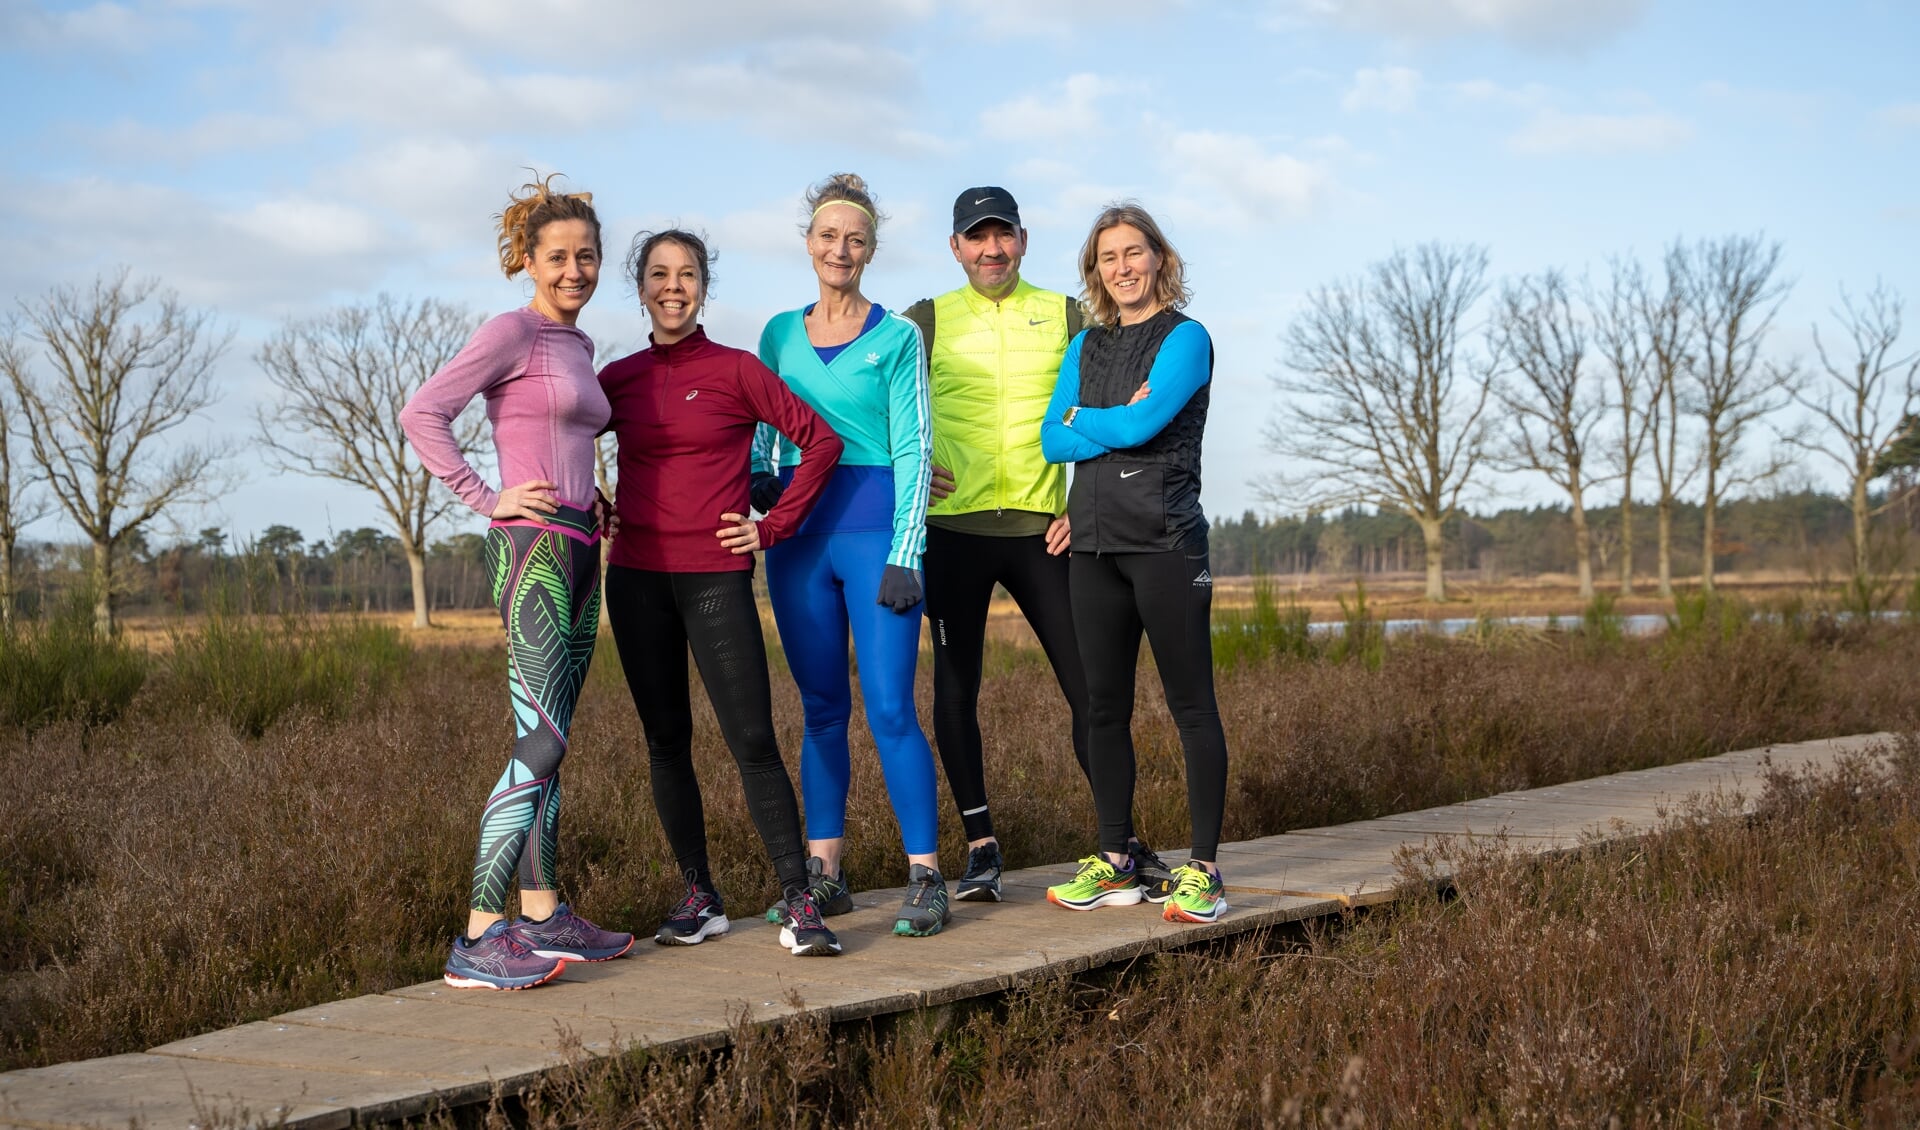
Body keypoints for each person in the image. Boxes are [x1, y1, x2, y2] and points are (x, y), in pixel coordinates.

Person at [903, 187, 1175, 903]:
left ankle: (1120, 844)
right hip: (952, 530)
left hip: (1047, 533)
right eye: (975, 238)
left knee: (1092, 691)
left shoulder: (1065, 313)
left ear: (1022, 240)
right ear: (956, 247)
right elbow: (871, 404)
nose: (991, 249)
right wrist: (907, 468)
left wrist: (1082, 504)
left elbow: (1122, 404)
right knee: (956, 691)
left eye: (1002, 236)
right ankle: (981, 846)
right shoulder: (925, 321)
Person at [401, 174, 636, 989]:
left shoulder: (579, 347)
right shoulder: (512, 330)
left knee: (556, 738)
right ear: (528, 261)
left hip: (580, 542)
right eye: (560, 257)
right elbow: (422, 413)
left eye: (588, 257)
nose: (576, 270)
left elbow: (564, 428)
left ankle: (544, 916)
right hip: (529, 546)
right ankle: (477, 935)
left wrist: (591, 492)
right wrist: (483, 495)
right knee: (541, 737)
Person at [598, 229, 846, 957]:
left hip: (715, 578)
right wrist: (591, 494)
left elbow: (820, 441)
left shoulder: (737, 370)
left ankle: (800, 902)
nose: (673, 286)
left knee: (752, 741)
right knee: (665, 742)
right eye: (658, 274)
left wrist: (771, 528)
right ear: (640, 286)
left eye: (687, 274)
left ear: (703, 286)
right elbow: (561, 424)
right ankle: (699, 897)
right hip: (637, 579)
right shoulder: (619, 378)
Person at [750, 173, 948, 937]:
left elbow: (915, 445)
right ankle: (825, 874)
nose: (841, 249)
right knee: (822, 709)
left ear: (870, 250)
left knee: (893, 707)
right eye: (828, 236)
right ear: (809, 244)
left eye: (855, 239)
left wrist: (908, 552)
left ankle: (926, 877)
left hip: (876, 538)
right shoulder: (777, 333)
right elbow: (764, 435)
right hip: (799, 542)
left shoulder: (897, 338)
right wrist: (762, 491)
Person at [1039, 203, 1230, 925]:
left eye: (1133, 253)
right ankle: (1116, 858)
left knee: (1191, 707)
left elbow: (1145, 425)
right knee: (1101, 708)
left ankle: (1204, 870)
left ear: (1159, 258)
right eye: (1107, 257)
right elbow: (1050, 440)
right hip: (1091, 549)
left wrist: (1088, 417)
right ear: (1096, 270)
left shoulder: (1186, 338)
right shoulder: (1085, 345)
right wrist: (1104, 418)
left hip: (1166, 545)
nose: (1122, 267)